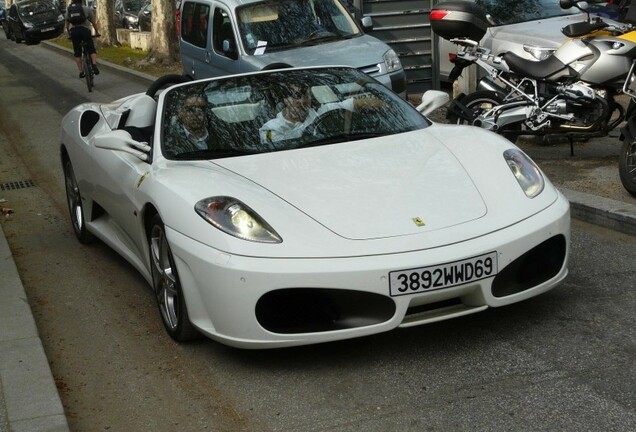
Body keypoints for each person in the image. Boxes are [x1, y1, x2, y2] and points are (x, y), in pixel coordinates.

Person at [259, 83, 384, 145]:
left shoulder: (323, 111)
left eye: (305, 95)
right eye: (296, 96)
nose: (302, 101)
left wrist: (387, 106)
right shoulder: (270, 129)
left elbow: (357, 103)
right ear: (284, 100)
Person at [65, 0, 100, 79]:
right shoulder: (87, 8)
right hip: (85, 31)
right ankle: (94, 65)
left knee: (77, 52)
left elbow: (66, 25)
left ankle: (81, 71)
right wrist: (97, 32)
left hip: (74, 32)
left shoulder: (69, 9)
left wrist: (69, 34)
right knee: (91, 49)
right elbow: (93, 22)